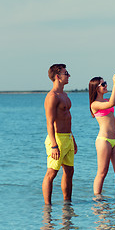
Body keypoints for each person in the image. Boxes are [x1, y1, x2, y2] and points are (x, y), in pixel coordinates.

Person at [42, 64, 77, 205]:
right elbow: (49, 123)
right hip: (56, 139)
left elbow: (67, 118)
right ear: (57, 76)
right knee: (52, 173)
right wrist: (54, 145)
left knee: (69, 172)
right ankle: (47, 208)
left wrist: (72, 139)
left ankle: (67, 205)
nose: (68, 75)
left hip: (67, 138)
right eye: (66, 73)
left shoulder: (65, 95)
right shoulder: (52, 97)